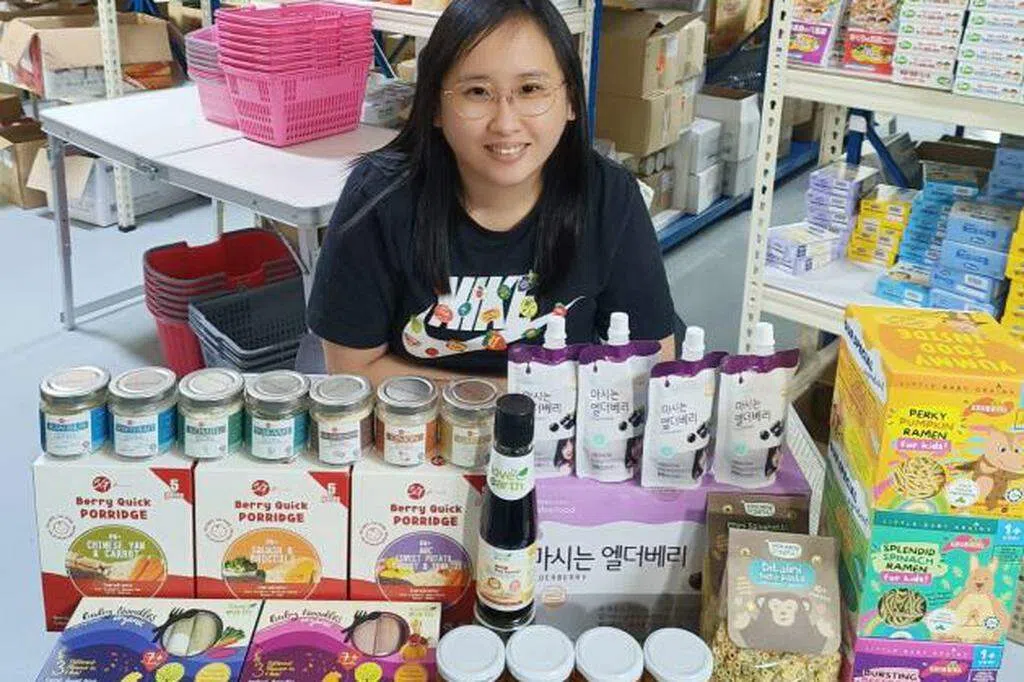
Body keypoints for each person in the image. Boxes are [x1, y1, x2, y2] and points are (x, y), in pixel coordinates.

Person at [308, 0, 676, 385]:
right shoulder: (378, 198)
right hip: (411, 420)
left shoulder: (609, 197)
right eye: (477, 92)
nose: (505, 123)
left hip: (558, 423)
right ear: (435, 107)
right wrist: (515, 398)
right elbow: (353, 369)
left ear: (570, 101)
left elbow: (650, 364)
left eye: (530, 89)